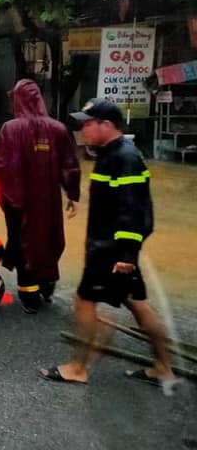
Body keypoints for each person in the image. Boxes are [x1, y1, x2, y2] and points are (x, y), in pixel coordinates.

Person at [40, 99, 179, 392]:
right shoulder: (112, 154)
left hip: (111, 250)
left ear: (107, 125)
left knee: (84, 301)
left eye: (89, 124)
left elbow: (133, 210)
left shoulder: (123, 158)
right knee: (138, 305)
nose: (83, 130)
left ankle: (77, 368)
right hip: (115, 249)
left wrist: (126, 254)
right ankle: (164, 367)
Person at [0, 79, 81, 312]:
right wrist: (73, 195)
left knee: (21, 241)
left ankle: (29, 296)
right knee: (48, 239)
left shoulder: (11, 128)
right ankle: (47, 284)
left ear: (18, 100)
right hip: (47, 201)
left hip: (17, 202)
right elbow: (70, 165)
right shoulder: (58, 129)